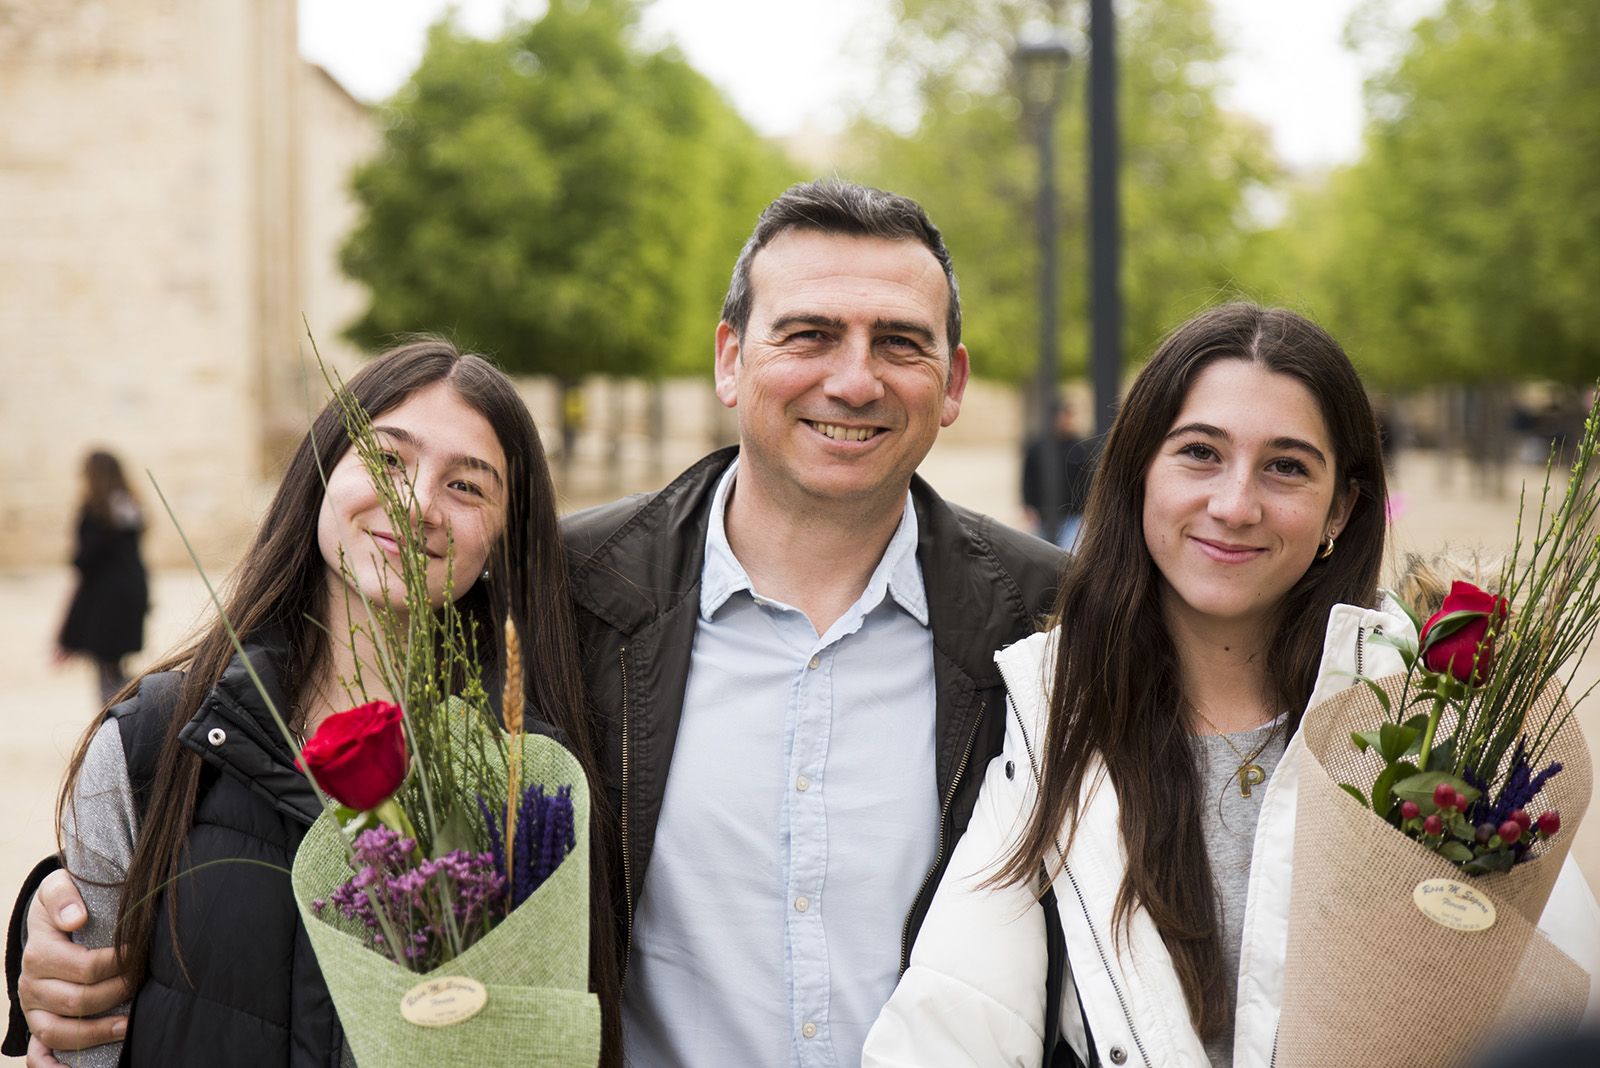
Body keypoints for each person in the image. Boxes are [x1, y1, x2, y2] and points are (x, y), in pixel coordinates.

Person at [11, 181, 1062, 1067]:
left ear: (954, 381)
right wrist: (61, 918)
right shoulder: (564, 597)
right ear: (731, 360)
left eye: (900, 343)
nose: (851, 377)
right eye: (810, 333)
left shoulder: (1057, 620)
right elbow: (289, 757)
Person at [861, 304, 1600, 1066]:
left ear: (1340, 508)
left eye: (1286, 466)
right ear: (1140, 471)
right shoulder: (1054, 709)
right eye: (1200, 453)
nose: (1236, 504)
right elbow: (958, 1017)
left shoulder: (1436, 714)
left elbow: (1554, 996)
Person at [7, 341, 619, 1067]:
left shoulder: (529, 788)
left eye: (467, 487)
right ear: (322, 472)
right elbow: (84, 1032)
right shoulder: (151, 744)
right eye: (388, 459)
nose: (417, 503)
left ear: (502, 540)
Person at [55, 450, 151, 705]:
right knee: (115, 666)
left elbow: (85, 559)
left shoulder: (97, 512)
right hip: (131, 593)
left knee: (107, 673)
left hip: (104, 601)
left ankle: (115, 724)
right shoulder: (130, 509)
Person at [1021, 403, 1095, 551]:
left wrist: (1087, 510)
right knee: (1043, 554)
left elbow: (1087, 479)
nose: (1067, 421)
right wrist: (1028, 505)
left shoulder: (1079, 446)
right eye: (1064, 416)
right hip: (1043, 514)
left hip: (1073, 515)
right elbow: (1027, 478)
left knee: (1069, 554)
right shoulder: (1038, 446)